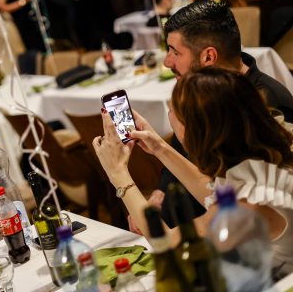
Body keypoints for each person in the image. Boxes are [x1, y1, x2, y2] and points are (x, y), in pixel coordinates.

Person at [94, 68, 293, 277]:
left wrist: (118, 174)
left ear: (194, 135)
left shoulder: (245, 205)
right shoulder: (268, 157)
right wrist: (159, 148)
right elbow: (213, 192)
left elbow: (169, 244)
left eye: (172, 110)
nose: (168, 111)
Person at [155, 0, 293, 226]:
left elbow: (244, 196)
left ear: (208, 57)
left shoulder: (267, 104)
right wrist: (159, 193)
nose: (167, 61)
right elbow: (178, 153)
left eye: (175, 51)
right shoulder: (202, 95)